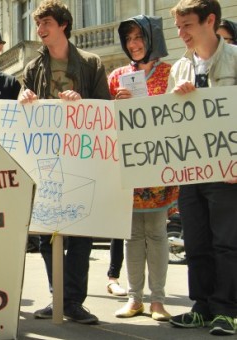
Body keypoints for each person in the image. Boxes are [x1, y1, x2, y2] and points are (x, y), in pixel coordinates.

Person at [19, 0, 111, 325]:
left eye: (46, 23)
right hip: (45, 158)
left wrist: (82, 104)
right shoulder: (32, 68)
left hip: (81, 157)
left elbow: (104, 109)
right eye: (38, 24)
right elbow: (21, 112)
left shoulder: (90, 63)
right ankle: (58, 296)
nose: (40, 30)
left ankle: (74, 300)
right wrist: (25, 100)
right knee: (47, 233)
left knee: (81, 231)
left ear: (63, 25)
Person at [166, 0, 237, 336]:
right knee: (196, 241)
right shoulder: (179, 68)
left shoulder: (235, 59)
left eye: (187, 26)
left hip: (228, 170)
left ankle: (227, 310)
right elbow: (165, 120)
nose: (181, 34)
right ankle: (202, 306)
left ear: (210, 20)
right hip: (190, 169)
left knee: (226, 242)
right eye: (178, 27)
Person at [108, 15, 178, 322]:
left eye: (139, 38)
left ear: (152, 39)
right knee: (132, 236)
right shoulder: (117, 76)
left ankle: (158, 301)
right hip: (127, 165)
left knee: (158, 234)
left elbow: (179, 115)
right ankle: (135, 299)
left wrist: (149, 101)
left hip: (160, 165)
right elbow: (105, 122)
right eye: (129, 39)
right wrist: (117, 105)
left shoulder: (172, 72)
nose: (133, 44)